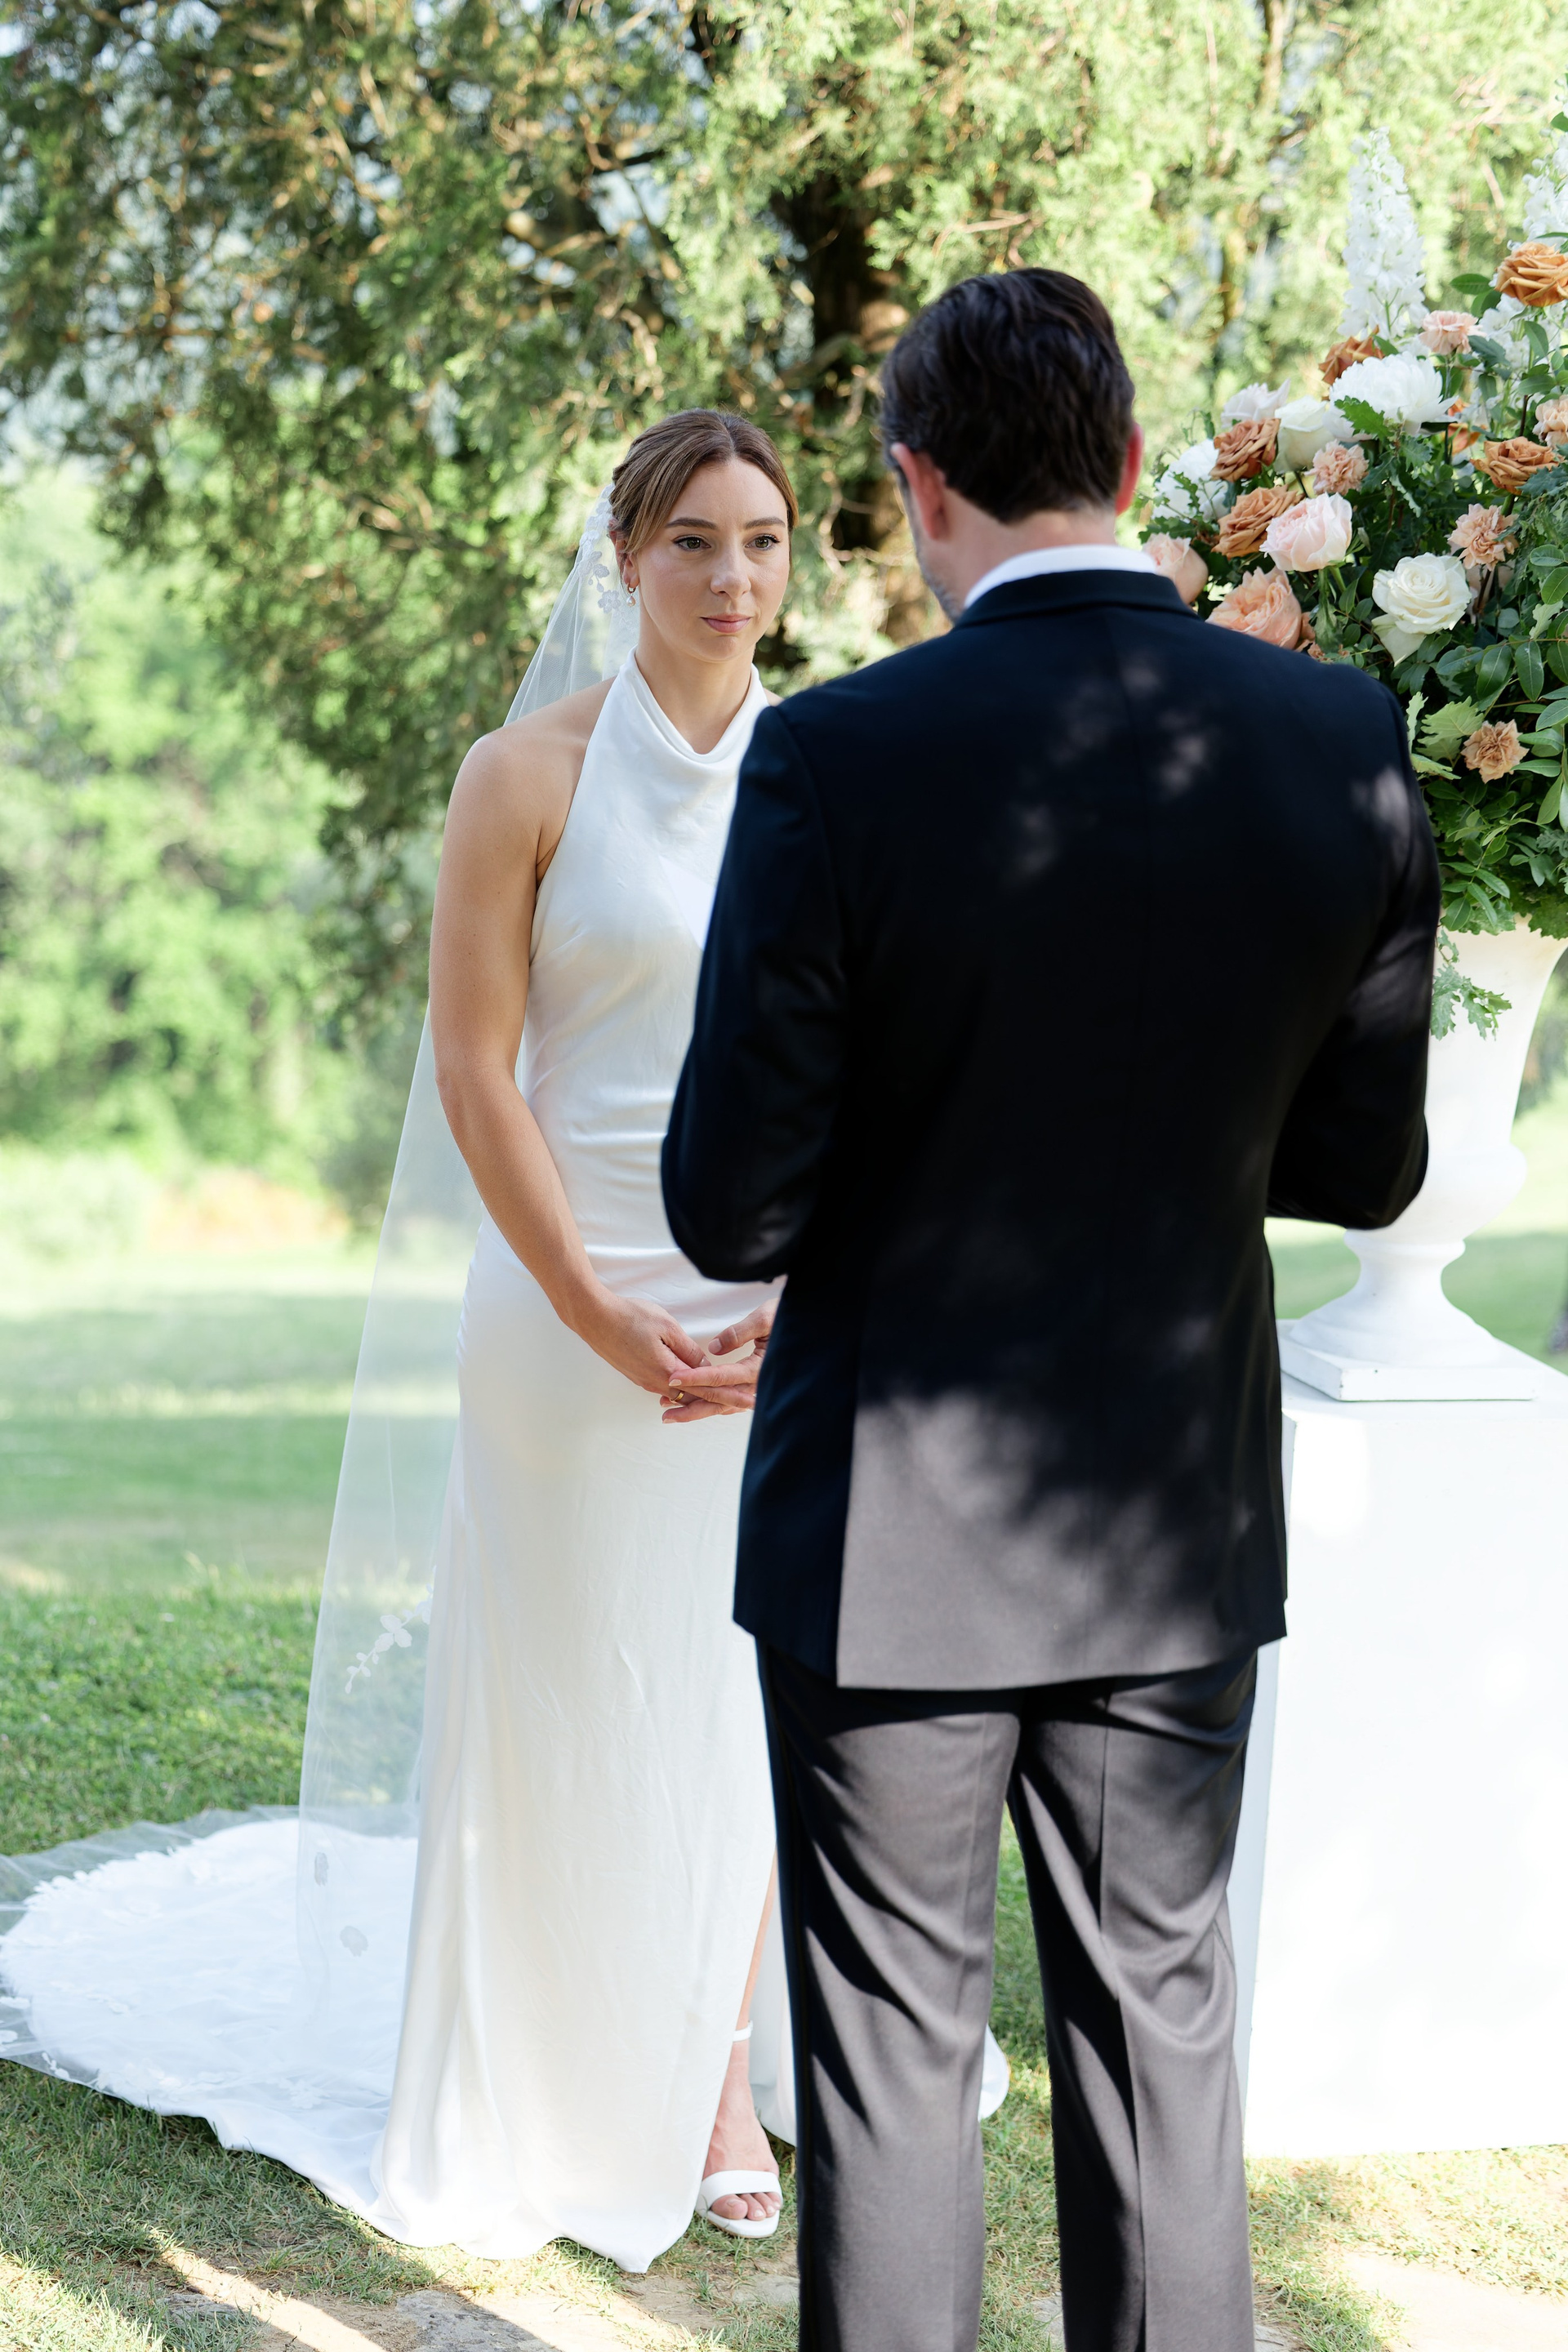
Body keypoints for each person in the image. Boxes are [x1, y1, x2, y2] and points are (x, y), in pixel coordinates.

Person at [662, 270, 1440, 2351]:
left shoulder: (834, 756)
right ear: (1130, 461)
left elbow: (733, 1207)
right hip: (1173, 1519)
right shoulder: (1335, 737)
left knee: (894, 2060)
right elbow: (1366, 1168)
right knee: (1162, 2038)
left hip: (885, 1533)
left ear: (920, 485)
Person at [369, 408, 800, 2257]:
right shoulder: (521, 775)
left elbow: (878, 1075)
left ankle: (717, 2079)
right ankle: (534, 2064)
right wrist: (587, 1303)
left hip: (768, 1316)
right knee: (560, 1687)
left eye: (762, 541)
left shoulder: (829, 777)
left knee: (738, 1698)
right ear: (625, 558)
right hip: (563, 1307)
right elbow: (476, 1068)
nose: (729, 577)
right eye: (692, 540)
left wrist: (804, 1302)